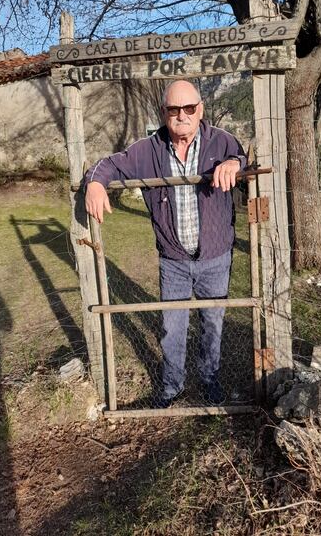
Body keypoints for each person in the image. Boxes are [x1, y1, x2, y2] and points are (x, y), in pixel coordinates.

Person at [85, 80, 246, 407]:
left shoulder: (221, 141)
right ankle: (172, 389)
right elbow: (111, 164)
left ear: (200, 109)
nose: (182, 115)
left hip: (216, 256)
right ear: (164, 113)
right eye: (174, 109)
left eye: (189, 108)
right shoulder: (149, 150)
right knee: (172, 328)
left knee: (212, 324)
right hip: (173, 260)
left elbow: (243, 157)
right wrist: (95, 184)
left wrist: (234, 164)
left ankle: (209, 380)